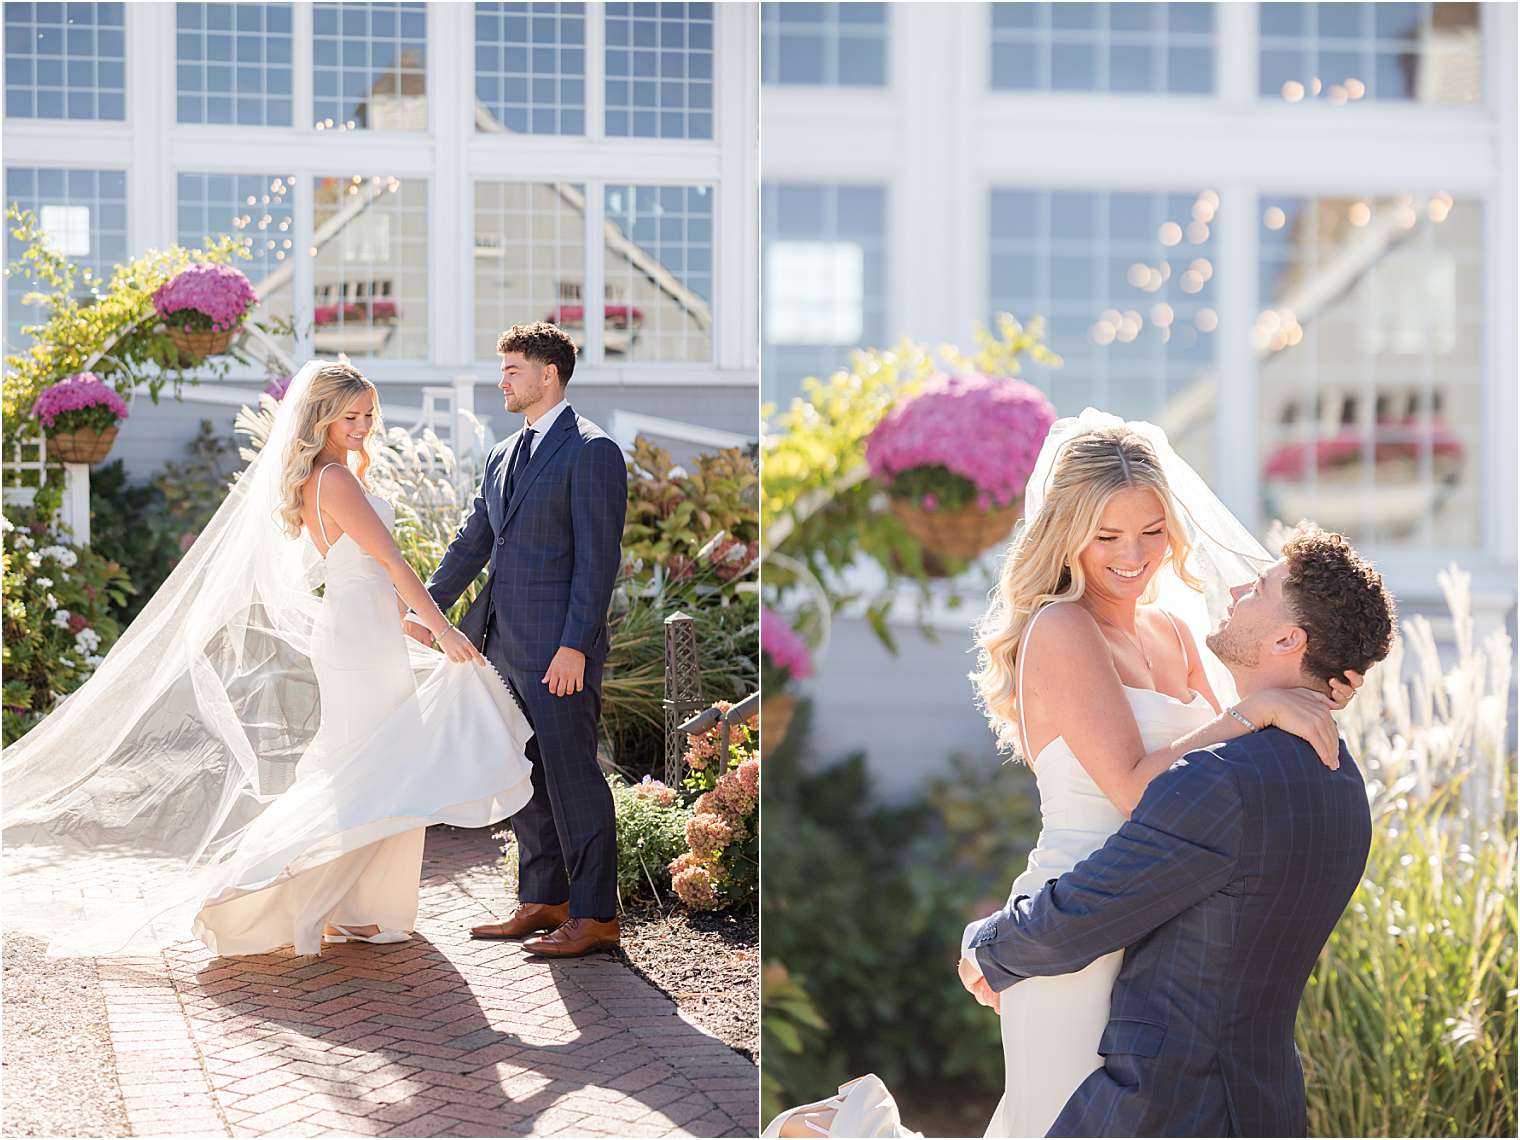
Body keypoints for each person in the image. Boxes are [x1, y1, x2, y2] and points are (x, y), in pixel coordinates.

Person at [764, 410, 1386, 1138]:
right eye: (1108, 536)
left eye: (1152, 533)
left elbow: (1221, 787)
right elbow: (1138, 788)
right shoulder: (1061, 629)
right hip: (1074, 929)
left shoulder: (1176, 631)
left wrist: (1291, 702)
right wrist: (1258, 711)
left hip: (1157, 927)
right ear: (1068, 534)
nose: (1134, 555)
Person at [2, 361, 536, 958]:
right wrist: (443, 630)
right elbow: (389, 561)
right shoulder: (332, 478)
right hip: (358, 642)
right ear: (322, 418)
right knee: (375, 769)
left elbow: (361, 573)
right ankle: (302, 898)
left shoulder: (329, 473)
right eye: (350, 416)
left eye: (368, 415)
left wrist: (407, 621)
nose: (362, 426)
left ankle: (360, 909)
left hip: (365, 630)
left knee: (378, 766)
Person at [405, 322, 628, 959]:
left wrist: (575, 646)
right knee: (524, 772)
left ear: (548, 375)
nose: (502, 380)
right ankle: (546, 898)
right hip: (499, 646)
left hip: (558, 652)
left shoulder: (593, 451)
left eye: (512, 369)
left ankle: (594, 915)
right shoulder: (504, 455)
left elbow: (596, 562)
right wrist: (423, 610)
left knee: (573, 777)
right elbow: (474, 542)